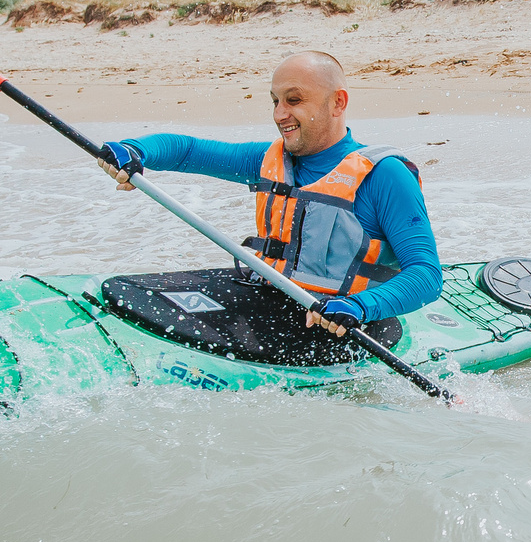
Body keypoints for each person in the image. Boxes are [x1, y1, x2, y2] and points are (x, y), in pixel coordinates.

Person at [101, 51, 441, 333]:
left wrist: (358, 307)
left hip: (339, 321)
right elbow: (187, 150)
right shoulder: (267, 159)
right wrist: (134, 151)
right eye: (276, 101)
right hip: (267, 295)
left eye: (294, 100)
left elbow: (426, 275)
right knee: (129, 296)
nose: (280, 114)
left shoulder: (385, 175)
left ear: (338, 103)